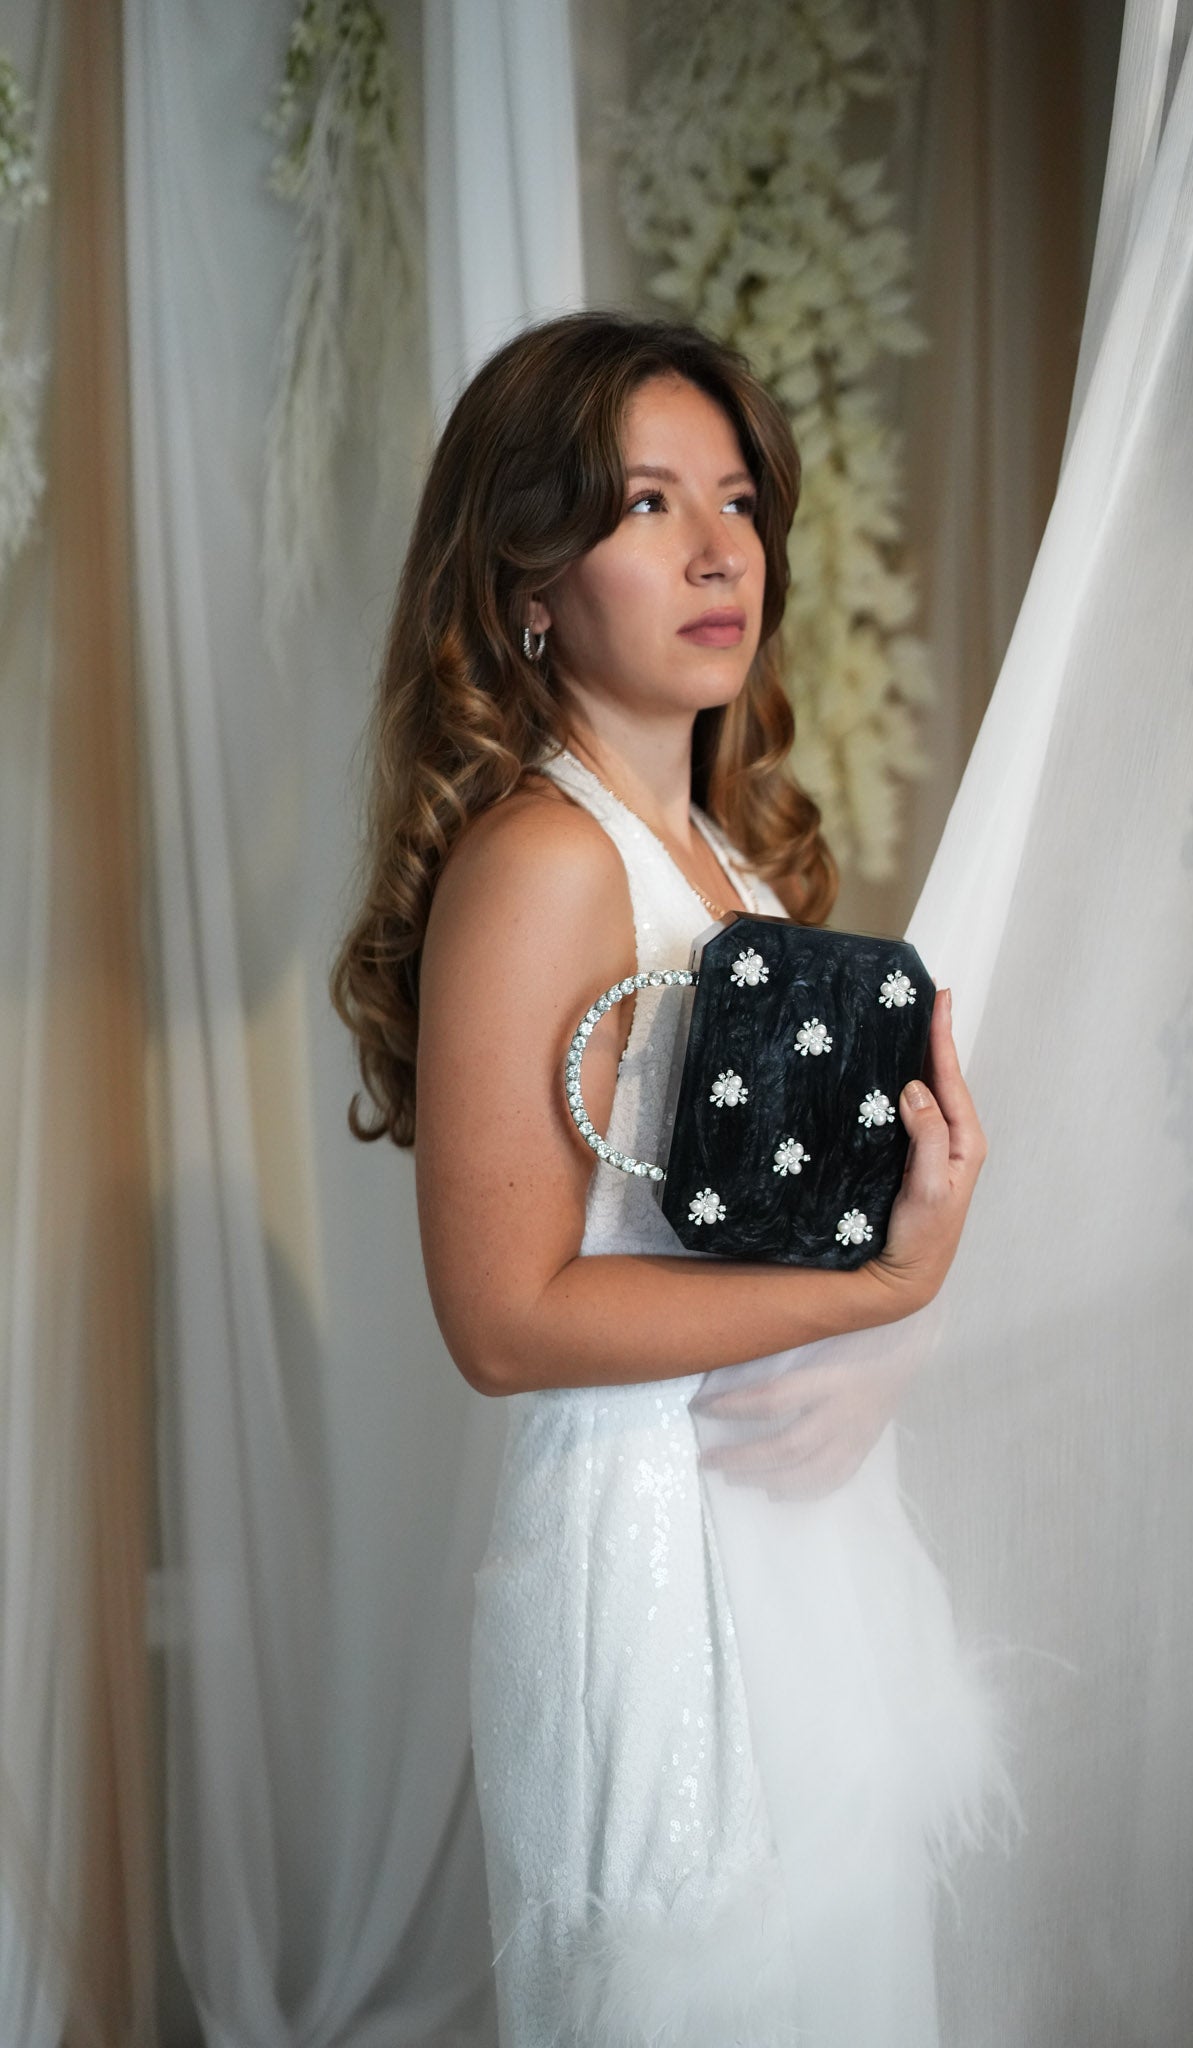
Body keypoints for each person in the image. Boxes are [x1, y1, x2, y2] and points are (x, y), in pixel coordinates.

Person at [331, 310, 992, 2046]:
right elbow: (503, 1315)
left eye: (738, 502)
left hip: (803, 1553)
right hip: (651, 1570)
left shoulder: (735, 865)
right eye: (643, 505)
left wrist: (889, 1329)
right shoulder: (546, 861)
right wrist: (882, 1290)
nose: (719, 551)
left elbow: (786, 1249)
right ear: (528, 581)